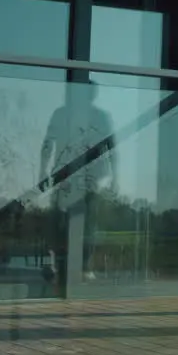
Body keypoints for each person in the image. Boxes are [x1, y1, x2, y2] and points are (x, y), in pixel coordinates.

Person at [38, 83, 116, 287]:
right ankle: (55, 264)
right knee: (58, 220)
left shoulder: (101, 117)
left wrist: (116, 178)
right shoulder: (61, 113)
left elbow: (112, 147)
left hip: (89, 178)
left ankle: (84, 267)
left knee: (87, 223)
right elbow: (47, 143)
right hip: (64, 175)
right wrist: (43, 172)